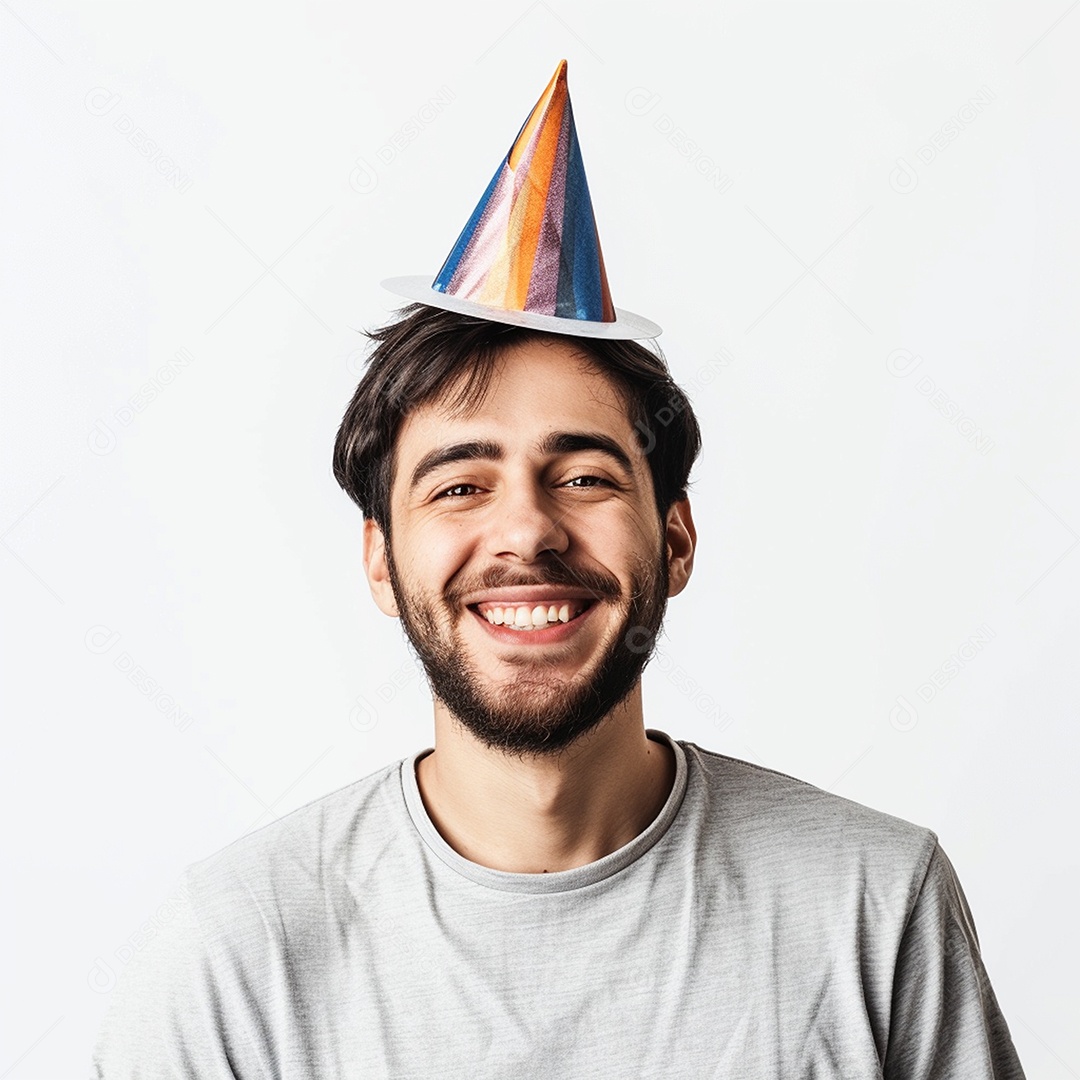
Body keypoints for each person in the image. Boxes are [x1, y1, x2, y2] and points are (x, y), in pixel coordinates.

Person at [91, 61, 1026, 1077]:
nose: (526, 533)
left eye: (582, 477)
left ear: (675, 541)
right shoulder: (233, 951)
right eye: (459, 485)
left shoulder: (873, 903)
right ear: (378, 558)